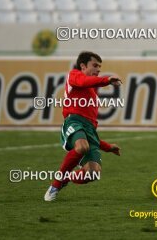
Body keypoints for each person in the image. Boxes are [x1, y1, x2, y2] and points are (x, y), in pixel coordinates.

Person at [44, 51, 122, 201]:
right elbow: (83, 82)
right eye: (95, 65)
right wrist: (106, 80)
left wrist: (107, 147)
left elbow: (91, 133)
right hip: (74, 122)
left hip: (89, 130)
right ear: (82, 66)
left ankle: (66, 178)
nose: (98, 69)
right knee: (81, 147)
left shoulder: (92, 94)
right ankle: (56, 183)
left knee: (93, 173)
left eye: (100, 66)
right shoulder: (74, 75)